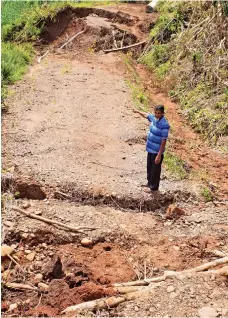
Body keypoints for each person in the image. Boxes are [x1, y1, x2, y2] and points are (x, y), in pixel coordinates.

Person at [133, 105, 170, 192]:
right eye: (156, 113)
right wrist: (137, 111)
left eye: (159, 113)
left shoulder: (164, 124)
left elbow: (163, 141)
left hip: (157, 151)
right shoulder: (154, 118)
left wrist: (159, 155)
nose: (157, 115)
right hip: (150, 149)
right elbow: (147, 115)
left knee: (155, 170)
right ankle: (149, 183)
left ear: (163, 113)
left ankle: (153, 188)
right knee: (149, 167)